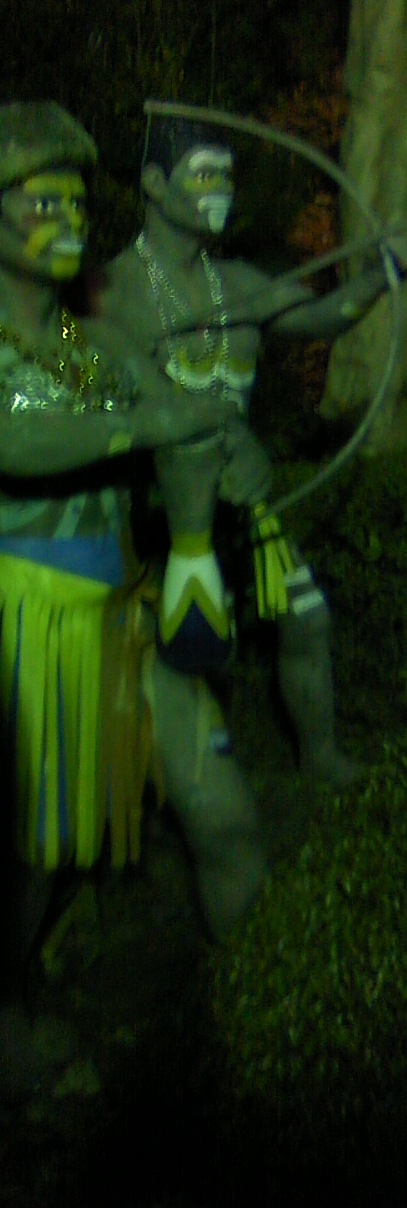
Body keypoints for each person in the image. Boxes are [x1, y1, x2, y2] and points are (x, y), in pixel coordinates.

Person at [0, 101, 269, 1009]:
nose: (72, 222)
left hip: (131, 622)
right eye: (43, 203)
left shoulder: (109, 346)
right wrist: (160, 424)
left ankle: (256, 1021)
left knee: (226, 816)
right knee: (26, 869)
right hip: (16, 646)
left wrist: (234, 452)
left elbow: (202, 430)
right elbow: (11, 443)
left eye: (80, 205)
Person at [95, 114, 390, 789]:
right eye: (204, 174)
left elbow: (324, 317)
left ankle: (319, 757)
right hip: (154, 517)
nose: (221, 189)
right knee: (166, 654)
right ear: (154, 183)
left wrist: (381, 276)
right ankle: (161, 783)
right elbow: (102, 399)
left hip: (246, 505)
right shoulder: (114, 291)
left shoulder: (240, 283)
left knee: (307, 619)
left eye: (227, 175)